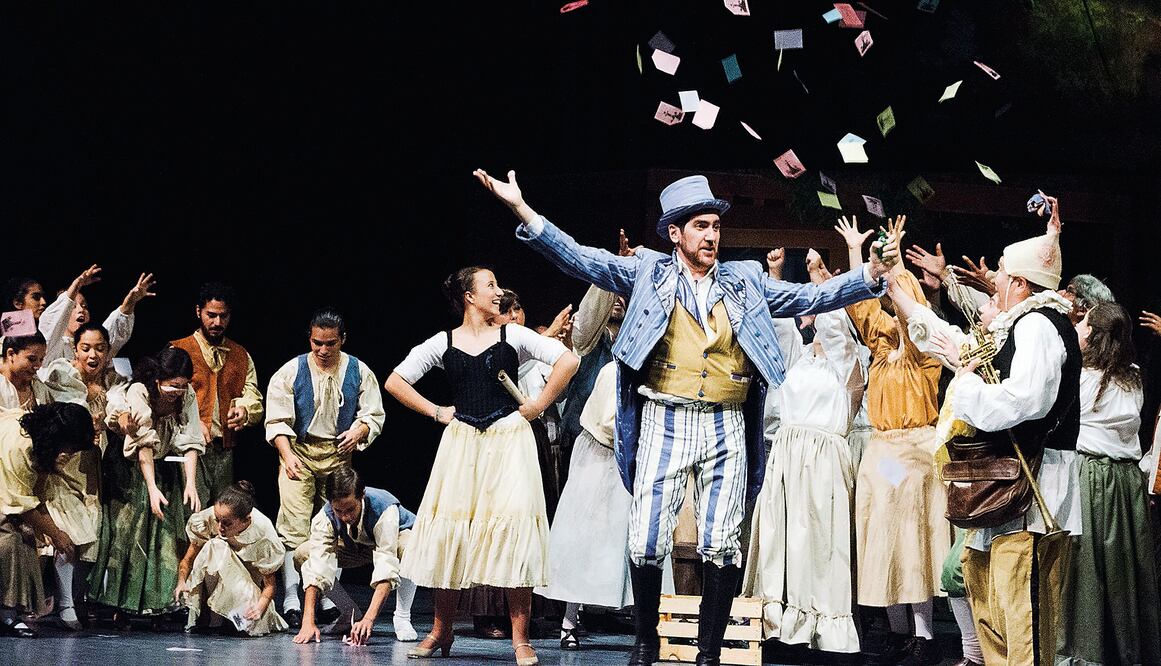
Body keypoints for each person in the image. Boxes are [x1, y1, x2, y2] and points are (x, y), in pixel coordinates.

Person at [474, 169, 898, 666]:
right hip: (663, 415)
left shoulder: (745, 280)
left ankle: (710, 653)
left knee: (721, 539)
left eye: (715, 226)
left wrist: (868, 276)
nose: (711, 235)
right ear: (675, 232)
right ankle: (646, 641)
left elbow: (811, 297)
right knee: (648, 534)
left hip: (726, 421)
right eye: (700, 226)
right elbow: (578, 257)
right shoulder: (649, 273)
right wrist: (522, 209)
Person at [385, 265, 579, 666]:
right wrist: (437, 411)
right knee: (450, 534)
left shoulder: (514, 335)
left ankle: (521, 638)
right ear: (469, 296)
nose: (498, 290)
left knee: (513, 531)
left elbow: (566, 361)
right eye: (490, 285)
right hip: (462, 443)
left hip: (508, 440)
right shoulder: (445, 342)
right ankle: (441, 630)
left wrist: (538, 404)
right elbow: (396, 381)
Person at [950, 194, 1083, 666]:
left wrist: (966, 389)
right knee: (994, 609)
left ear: (1021, 285)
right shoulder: (1023, 322)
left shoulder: (1038, 326)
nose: (997, 282)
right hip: (1011, 485)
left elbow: (1025, 400)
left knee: (1022, 616)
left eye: (1003, 276)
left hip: (1033, 489)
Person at [838, 216, 949, 666]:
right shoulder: (880, 353)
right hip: (883, 451)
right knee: (882, 540)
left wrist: (897, 261)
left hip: (918, 449)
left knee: (915, 542)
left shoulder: (924, 356)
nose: (889, 315)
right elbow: (861, 309)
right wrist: (858, 256)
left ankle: (923, 634)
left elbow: (914, 312)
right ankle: (896, 630)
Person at [742, 250, 864, 655]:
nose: (809, 310)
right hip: (787, 457)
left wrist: (818, 276)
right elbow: (775, 329)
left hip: (825, 460)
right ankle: (780, 626)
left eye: (817, 304)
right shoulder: (796, 355)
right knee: (782, 541)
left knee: (820, 544)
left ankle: (824, 632)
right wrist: (776, 274)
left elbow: (835, 329)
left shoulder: (847, 361)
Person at [536, 360, 676, 651]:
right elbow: (610, 423)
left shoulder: (662, 372)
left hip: (640, 459)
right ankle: (569, 619)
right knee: (584, 535)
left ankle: (650, 624)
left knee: (642, 536)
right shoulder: (612, 372)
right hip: (601, 458)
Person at [265, 308, 385, 627]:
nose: (322, 350)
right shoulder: (292, 370)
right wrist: (287, 454)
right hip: (299, 452)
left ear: (342, 340)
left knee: (335, 525)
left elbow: (374, 413)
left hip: (337, 453)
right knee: (294, 526)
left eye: (330, 343)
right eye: (317, 342)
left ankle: (330, 596)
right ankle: (292, 596)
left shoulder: (358, 371)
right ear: (310, 338)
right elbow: (276, 418)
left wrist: (360, 430)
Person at [1056, 301, 1161, 665]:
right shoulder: (1133, 376)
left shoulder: (1081, 377)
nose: (1079, 330)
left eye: (1084, 324)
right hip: (1126, 481)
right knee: (1123, 568)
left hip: (1090, 477)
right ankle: (1125, 647)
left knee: (1086, 567)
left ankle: (1085, 650)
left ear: (1095, 335)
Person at [88, 346, 206, 619]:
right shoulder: (140, 391)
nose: (179, 391)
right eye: (173, 386)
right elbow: (143, 445)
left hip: (162, 465)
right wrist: (151, 488)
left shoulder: (185, 395)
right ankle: (118, 603)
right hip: (128, 468)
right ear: (158, 380)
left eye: (183, 385)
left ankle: (156, 602)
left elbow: (190, 440)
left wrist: (190, 483)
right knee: (129, 530)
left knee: (161, 535)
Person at [38, 323, 128, 629]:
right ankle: (64, 605)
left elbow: (117, 410)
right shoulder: (63, 376)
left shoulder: (112, 381)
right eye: (86, 347)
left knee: (89, 535)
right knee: (67, 532)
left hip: (91, 467)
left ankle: (74, 600)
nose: (93, 354)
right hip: (64, 464)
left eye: (100, 348)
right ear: (75, 349)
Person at [291, 466, 418, 645]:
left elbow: (386, 566)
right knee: (304, 554)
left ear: (362, 496)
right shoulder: (326, 515)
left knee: (409, 547)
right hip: (355, 545)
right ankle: (348, 611)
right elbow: (317, 569)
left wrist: (368, 620)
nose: (345, 516)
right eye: (339, 511)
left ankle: (402, 617)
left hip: (393, 541)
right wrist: (308, 622)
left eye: (350, 509)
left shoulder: (384, 509)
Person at [0, 402, 95, 638]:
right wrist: (57, 534)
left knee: (26, 534)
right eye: (70, 449)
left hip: (8, 491)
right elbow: (20, 503)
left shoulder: (39, 442)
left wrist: (45, 527)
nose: (70, 455)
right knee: (11, 538)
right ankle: (6, 613)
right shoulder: (19, 446)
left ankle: (15, 608)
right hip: (5, 491)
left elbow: (36, 489)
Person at [170, 282, 264, 504]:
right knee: (190, 513)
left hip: (224, 450)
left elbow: (252, 393)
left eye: (223, 316)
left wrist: (244, 410)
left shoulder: (240, 355)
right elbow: (165, 399)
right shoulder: (179, 350)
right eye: (211, 315)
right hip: (189, 448)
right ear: (198, 312)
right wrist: (194, 423)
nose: (217, 322)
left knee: (221, 512)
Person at [174, 480, 287, 637]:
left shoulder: (263, 532)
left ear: (246, 520)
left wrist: (260, 608)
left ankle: (231, 620)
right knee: (215, 546)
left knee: (217, 546)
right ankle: (214, 621)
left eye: (226, 523)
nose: (220, 527)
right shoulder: (209, 518)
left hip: (245, 590)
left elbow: (269, 585)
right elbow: (188, 559)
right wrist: (181, 582)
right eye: (218, 519)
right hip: (216, 586)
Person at [37, 265, 155, 364]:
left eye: (84, 306)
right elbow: (50, 323)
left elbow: (112, 334)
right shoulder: (51, 346)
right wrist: (76, 285)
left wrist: (129, 303)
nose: (81, 310)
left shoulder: (94, 345)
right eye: (72, 307)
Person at [0, 333, 51, 410]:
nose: (37, 366)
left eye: (41, 360)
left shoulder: (39, 387)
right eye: (32, 359)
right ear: (11, 354)